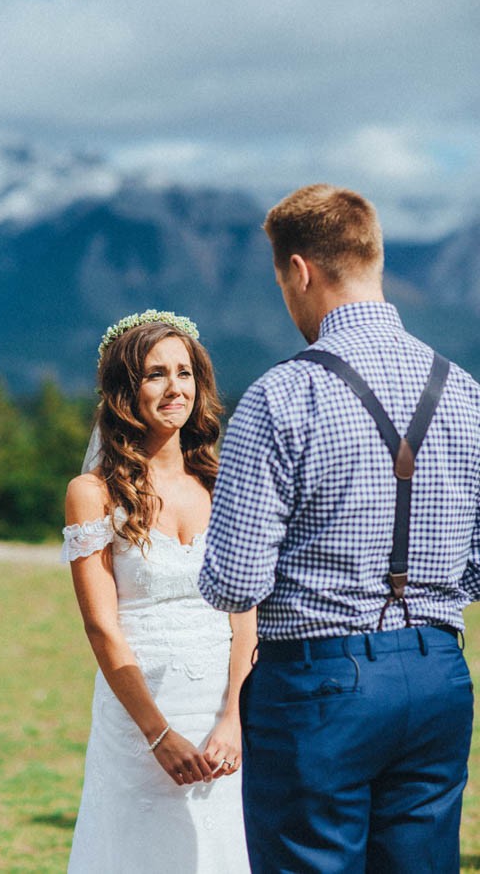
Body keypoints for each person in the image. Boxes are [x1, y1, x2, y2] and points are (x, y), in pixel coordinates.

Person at [199, 184, 480, 873]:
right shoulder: (467, 393)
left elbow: (235, 581)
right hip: (439, 673)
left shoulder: (279, 396)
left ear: (300, 271)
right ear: (373, 258)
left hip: (317, 684)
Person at [62, 310, 255, 873]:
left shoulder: (221, 480)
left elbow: (244, 612)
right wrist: (158, 733)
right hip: (141, 709)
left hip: (222, 710)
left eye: (185, 372)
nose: (176, 388)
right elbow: (102, 627)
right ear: (125, 389)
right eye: (155, 374)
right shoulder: (92, 492)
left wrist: (234, 717)